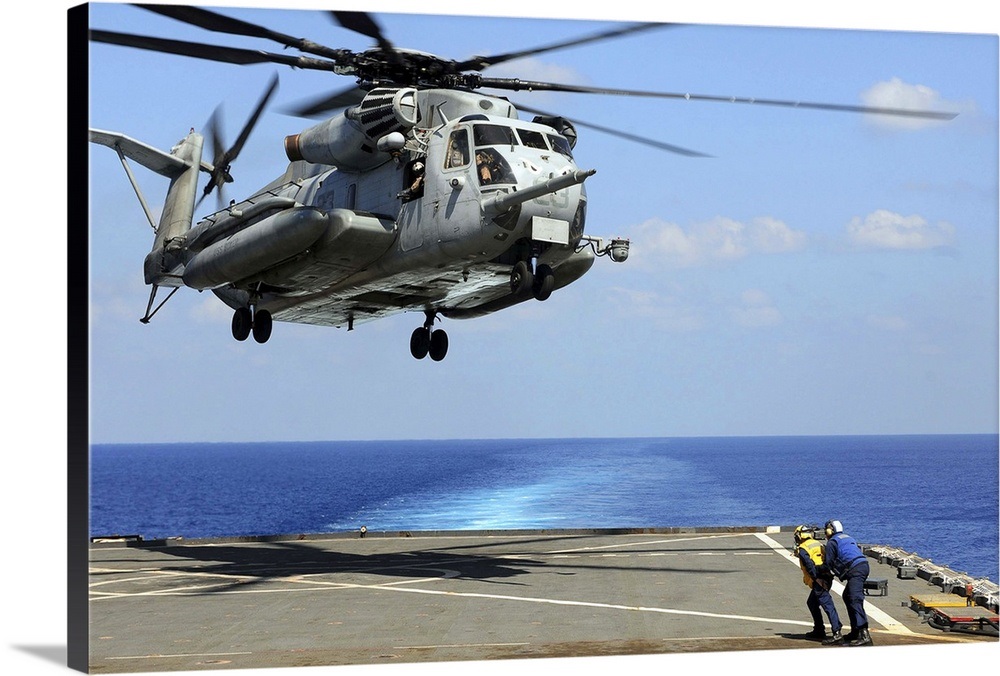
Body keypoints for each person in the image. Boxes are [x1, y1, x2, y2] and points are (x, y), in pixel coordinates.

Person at [824, 519, 873, 646]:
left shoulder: (832, 542)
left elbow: (828, 564)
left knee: (855, 599)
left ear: (830, 530)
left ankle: (864, 635)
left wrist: (819, 571)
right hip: (863, 565)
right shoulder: (847, 537)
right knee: (847, 596)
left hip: (855, 570)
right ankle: (855, 631)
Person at [793, 525, 843, 643]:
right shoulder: (818, 544)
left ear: (800, 536)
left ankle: (837, 631)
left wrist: (816, 579)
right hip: (826, 577)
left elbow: (809, 565)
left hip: (819, 580)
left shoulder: (803, 548)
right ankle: (819, 629)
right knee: (812, 603)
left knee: (827, 604)